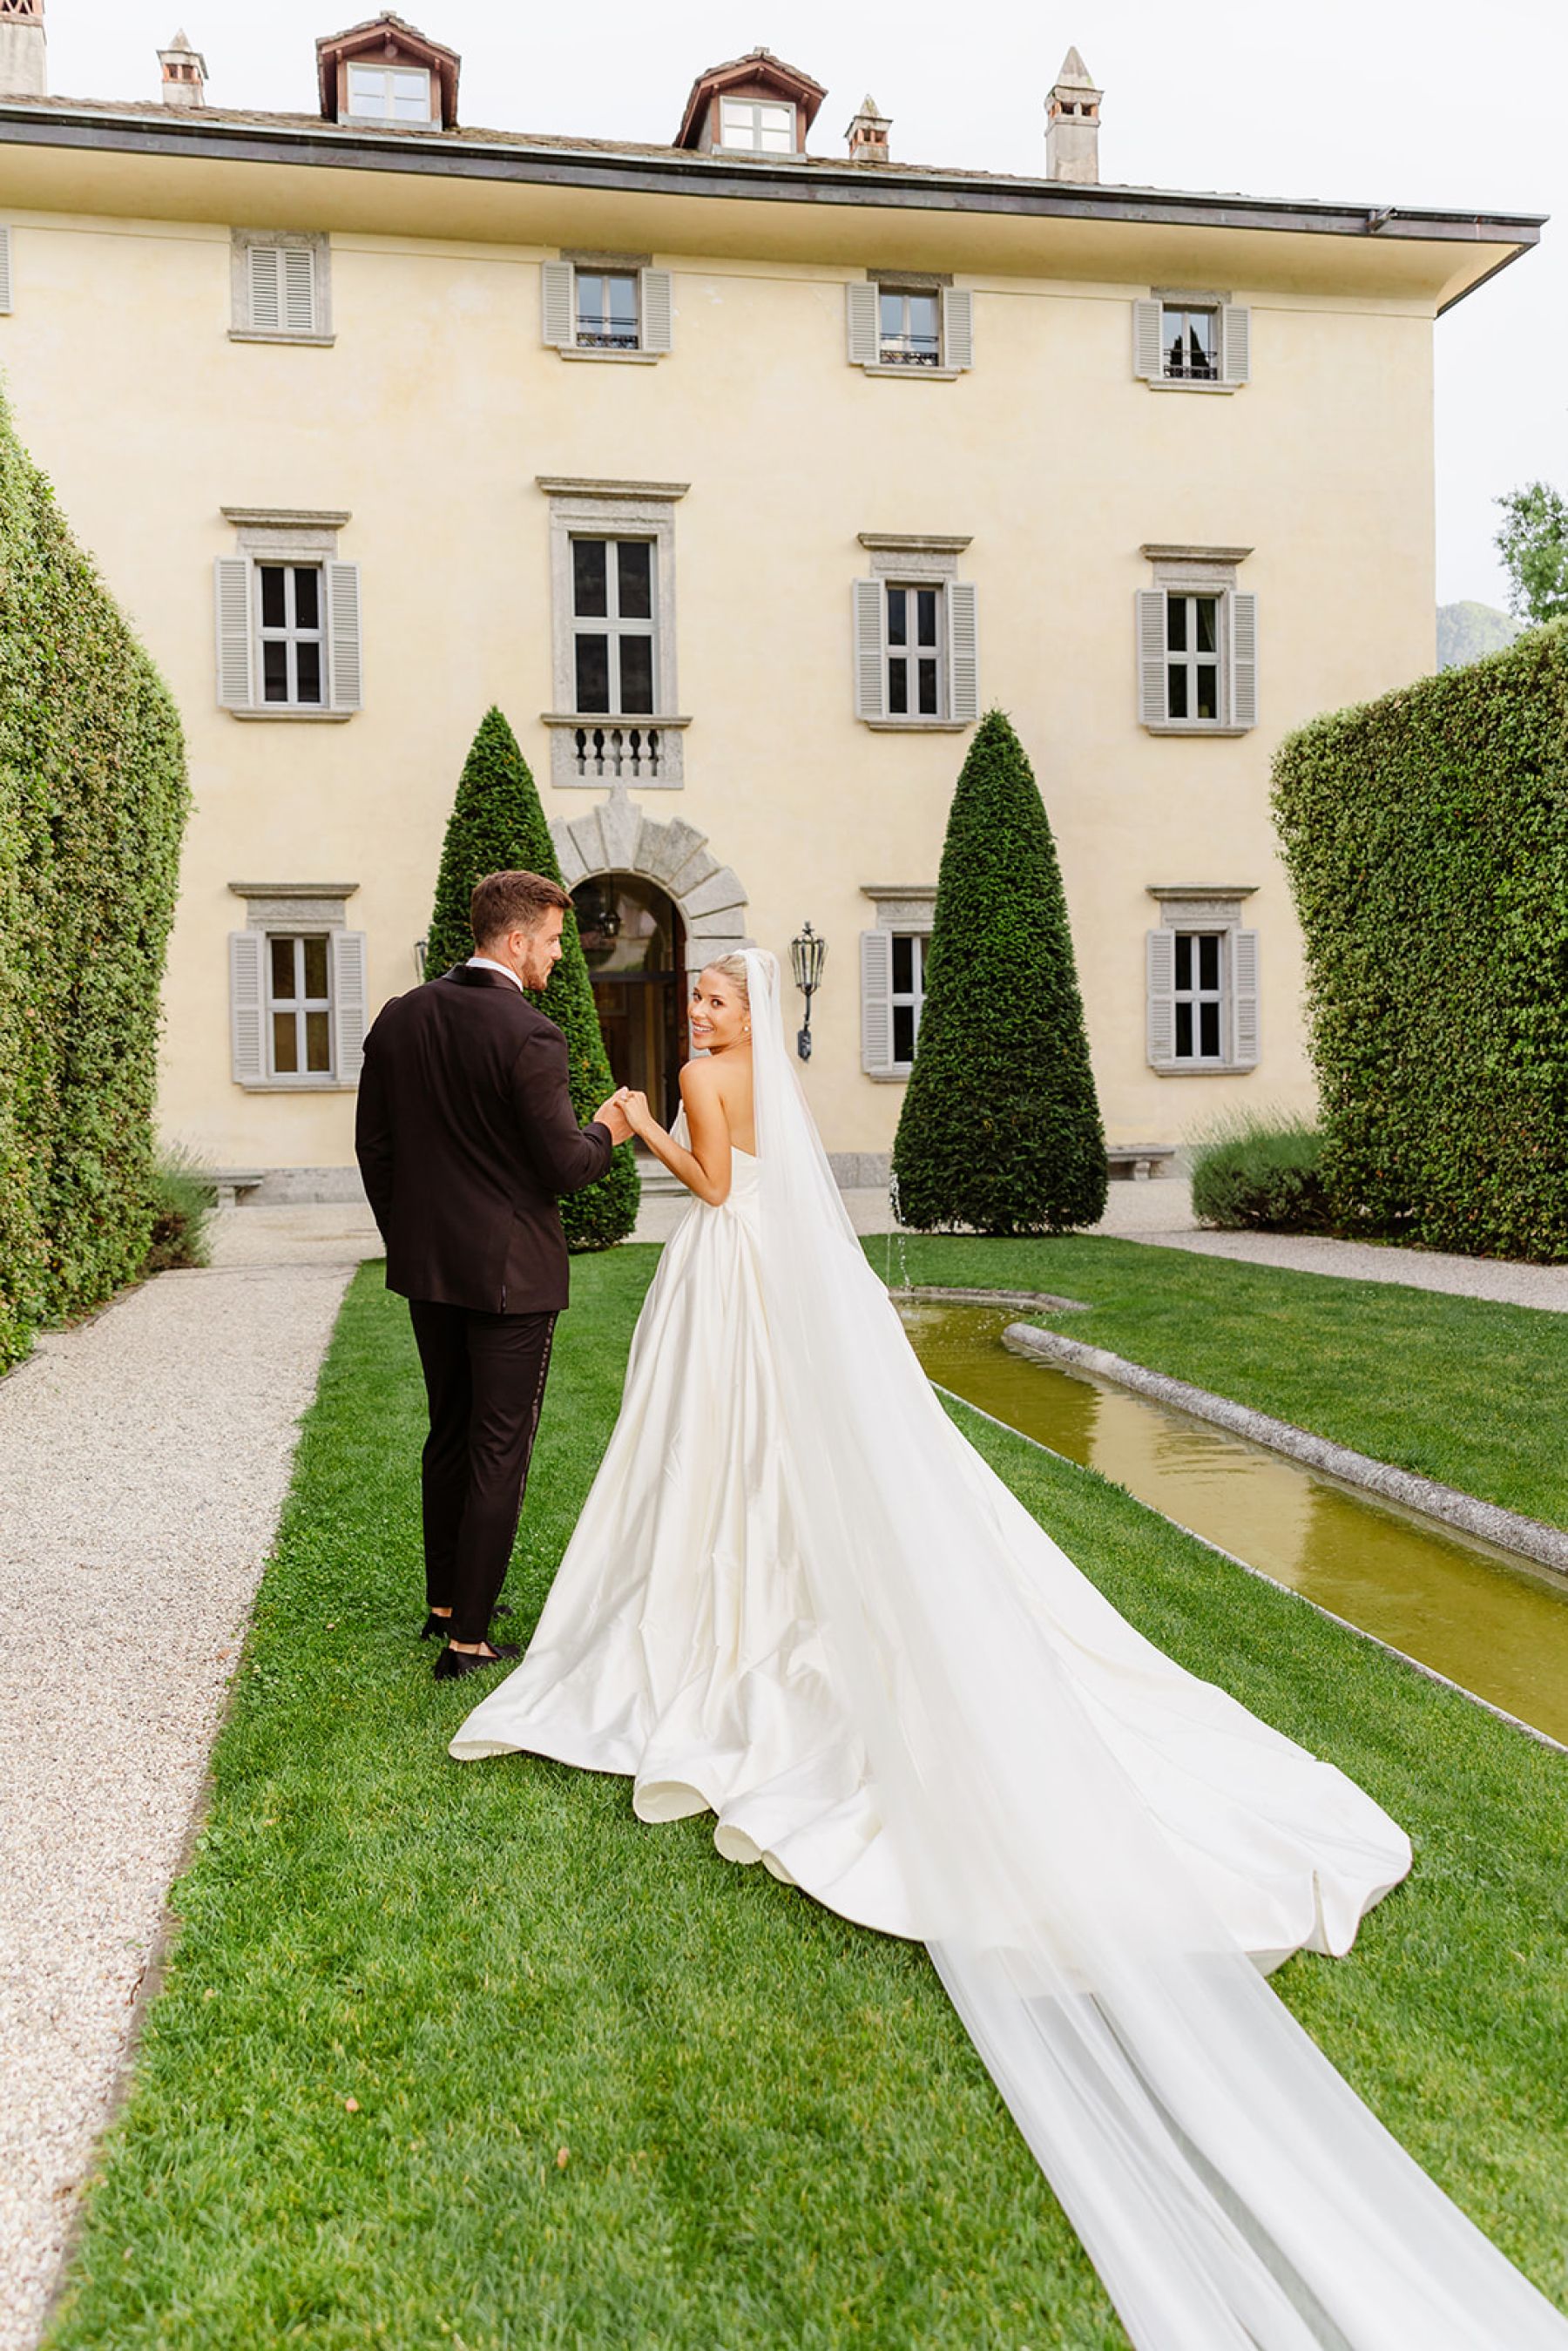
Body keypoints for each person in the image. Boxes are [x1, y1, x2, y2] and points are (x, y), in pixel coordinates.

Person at [451, 949, 1568, 2348]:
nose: (708, 1021)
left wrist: (639, 1123)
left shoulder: (690, 1080)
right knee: (760, 1468)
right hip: (768, 1286)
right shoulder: (762, 1077)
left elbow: (720, 1191)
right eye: (706, 1009)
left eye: (721, 1006)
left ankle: (702, 1610)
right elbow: (772, 1189)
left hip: (725, 1278)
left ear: (737, 1019)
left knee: (719, 1464)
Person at [355, 868, 632, 1681]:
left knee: (450, 1432)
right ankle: (467, 1639)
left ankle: (447, 1602)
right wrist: (608, 1128)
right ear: (515, 939)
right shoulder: (530, 1034)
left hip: (429, 1269)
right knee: (498, 1449)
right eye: (551, 941)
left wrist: (409, 1237)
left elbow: (376, 1148)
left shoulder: (401, 1017)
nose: (556, 957)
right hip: (511, 1276)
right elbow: (563, 1163)